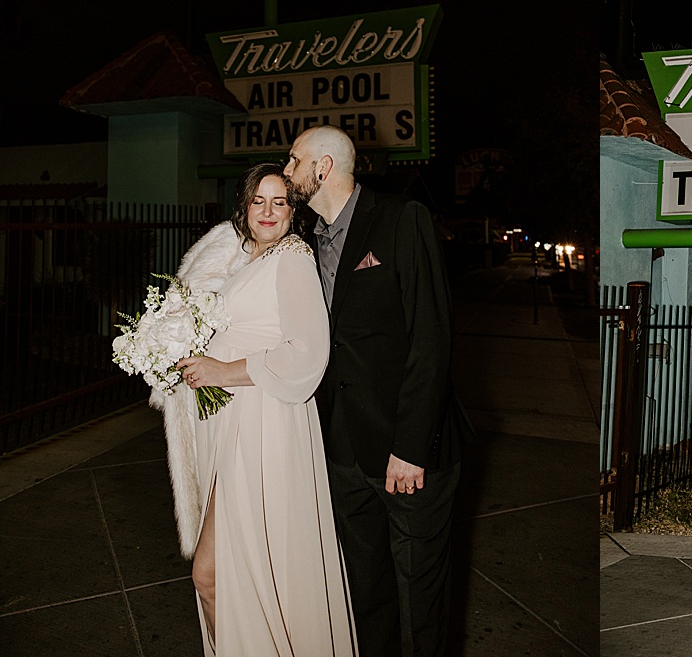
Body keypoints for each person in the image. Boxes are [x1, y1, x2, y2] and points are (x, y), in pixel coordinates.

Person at [283, 125, 473, 657]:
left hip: (409, 454)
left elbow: (430, 340)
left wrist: (411, 448)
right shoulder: (304, 242)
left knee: (421, 604)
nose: (286, 169)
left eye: (293, 160)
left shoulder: (400, 218)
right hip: (341, 450)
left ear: (322, 168)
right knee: (364, 595)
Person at [175, 164, 356, 656]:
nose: (269, 211)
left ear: (293, 210)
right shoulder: (245, 260)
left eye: (280, 201)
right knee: (218, 577)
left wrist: (221, 370)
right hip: (232, 426)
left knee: (229, 574)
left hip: (268, 426)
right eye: (260, 201)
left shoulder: (293, 257)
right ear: (244, 207)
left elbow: (307, 353)